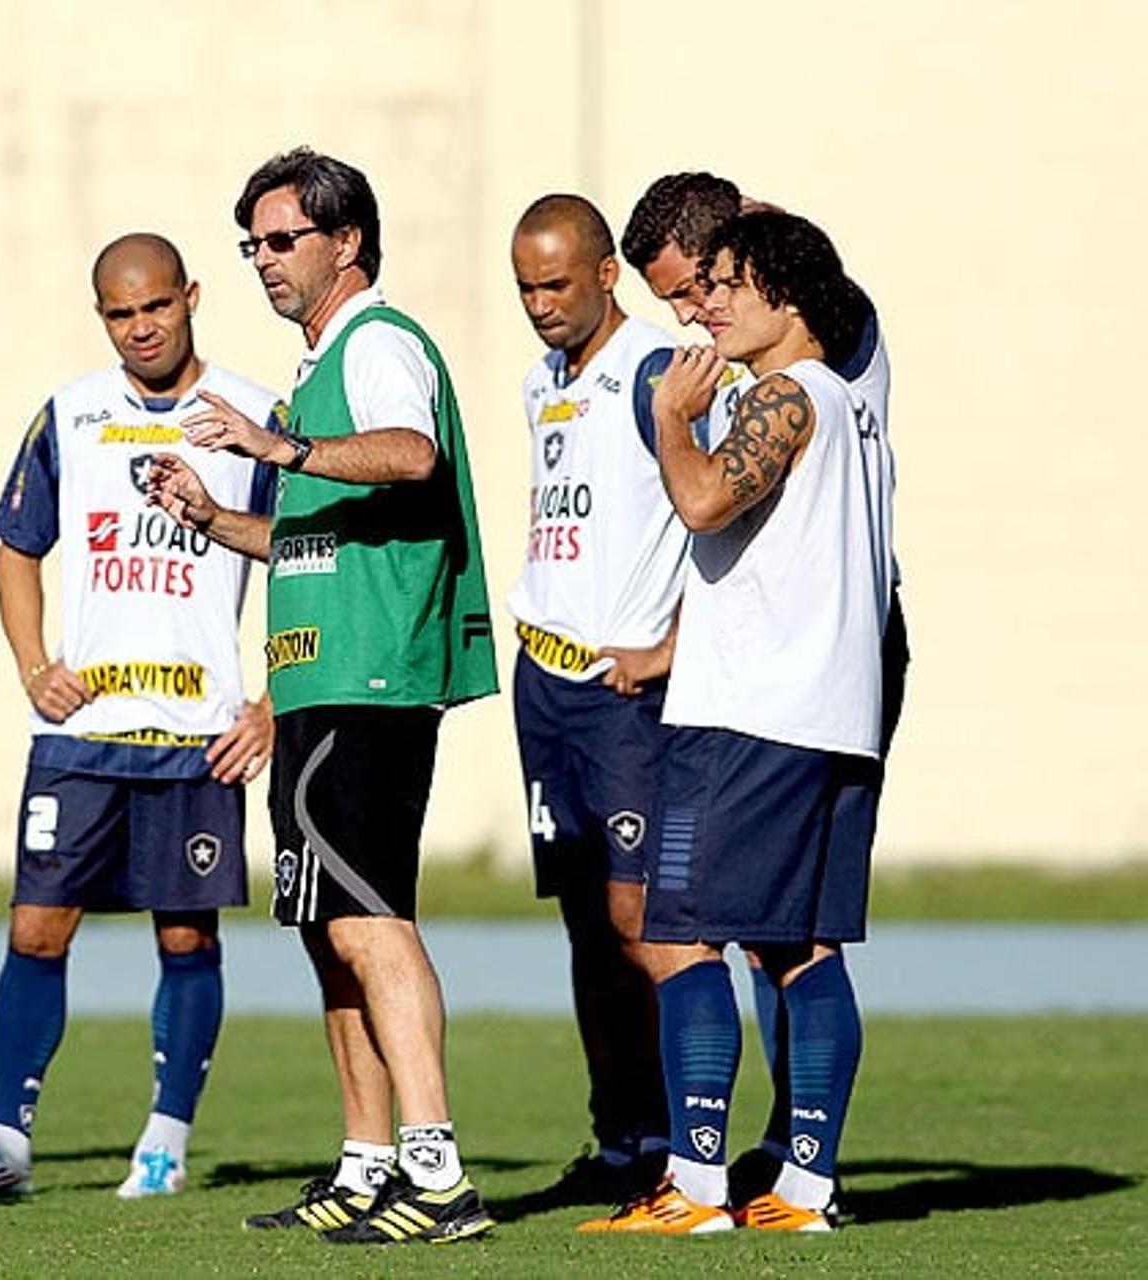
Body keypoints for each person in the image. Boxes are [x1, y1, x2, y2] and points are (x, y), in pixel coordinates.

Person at [148, 147, 499, 1245]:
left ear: (346, 241)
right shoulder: (318, 367)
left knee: (373, 920)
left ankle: (439, 1171)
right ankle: (367, 1161)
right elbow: (311, 536)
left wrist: (276, 441)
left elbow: (411, 453)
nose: (263, 259)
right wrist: (214, 515)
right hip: (312, 675)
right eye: (251, 242)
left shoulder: (378, 343)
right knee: (328, 929)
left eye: (282, 237)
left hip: (370, 676)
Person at [0, 234, 277, 1202]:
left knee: (186, 941)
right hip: (82, 735)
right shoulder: (71, 415)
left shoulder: (256, 417)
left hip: (198, 732)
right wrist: (34, 666)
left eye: (156, 306)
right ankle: (6, 1143)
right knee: (37, 929)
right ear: (102, 318)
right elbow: (13, 552)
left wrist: (270, 702)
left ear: (192, 296)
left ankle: (164, 1141)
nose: (141, 327)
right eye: (121, 314)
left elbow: (311, 559)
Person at [579, 211, 893, 1235]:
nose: (704, 301)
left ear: (788, 294)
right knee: (798, 944)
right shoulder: (854, 404)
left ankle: (698, 1183)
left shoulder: (787, 395)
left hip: (751, 717)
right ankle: (804, 1189)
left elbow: (709, 501)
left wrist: (675, 417)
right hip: (833, 714)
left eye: (725, 282)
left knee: (677, 936)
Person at [503, 193, 695, 1203]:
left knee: (641, 914)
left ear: (607, 272)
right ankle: (620, 1135)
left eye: (557, 284)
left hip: (622, 691)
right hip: (547, 680)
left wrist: (673, 644)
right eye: (526, 287)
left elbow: (729, 510)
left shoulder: (660, 372)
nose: (540, 304)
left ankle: (685, 1141)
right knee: (584, 916)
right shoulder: (542, 381)